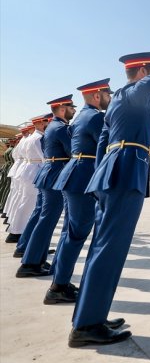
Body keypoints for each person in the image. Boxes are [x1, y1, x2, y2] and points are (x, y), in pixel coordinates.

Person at [69, 52, 150, 347]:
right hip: (126, 172)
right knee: (110, 248)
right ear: (140, 72)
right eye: (149, 68)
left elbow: (101, 144)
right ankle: (87, 325)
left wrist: (100, 179)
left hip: (114, 173)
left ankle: (90, 316)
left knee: (104, 246)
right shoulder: (130, 94)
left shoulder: (119, 102)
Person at [45, 79, 111, 304]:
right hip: (81, 178)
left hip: (74, 176)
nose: (109, 98)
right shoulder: (96, 117)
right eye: (107, 94)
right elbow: (108, 144)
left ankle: (59, 280)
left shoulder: (83, 116)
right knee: (76, 234)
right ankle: (58, 287)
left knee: (70, 233)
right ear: (97, 96)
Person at [17, 96, 76, 278]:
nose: (74, 110)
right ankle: (30, 263)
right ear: (61, 109)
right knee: (47, 220)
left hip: (48, 173)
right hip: (55, 175)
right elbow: (72, 150)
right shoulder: (60, 128)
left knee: (44, 218)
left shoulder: (52, 127)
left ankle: (35, 258)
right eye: (70, 107)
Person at [6, 116, 48, 244]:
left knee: (24, 202)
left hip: (28, 170)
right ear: (40, 124)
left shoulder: (31, 138)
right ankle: (17, 233)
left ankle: (17, 231)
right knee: (28, 205)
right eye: (47, 122)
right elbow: (45, 158)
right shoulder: (38, 138)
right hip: (33, 171)